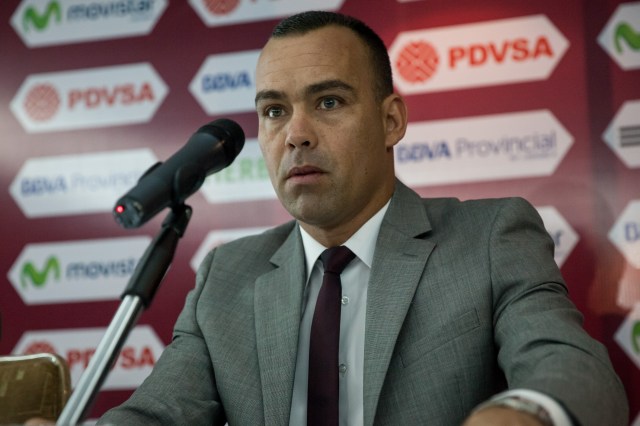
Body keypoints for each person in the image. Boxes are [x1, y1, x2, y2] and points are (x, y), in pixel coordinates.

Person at [97, 10, 628, 426]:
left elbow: (571, 368)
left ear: (391, 120)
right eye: (274, 111)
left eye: (328, 102)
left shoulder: (489, 238)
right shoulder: (226, 275)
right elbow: (158, 414)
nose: (296, 134)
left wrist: (522, 414)